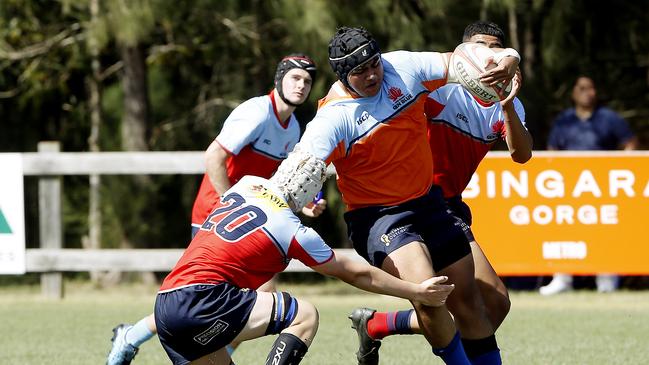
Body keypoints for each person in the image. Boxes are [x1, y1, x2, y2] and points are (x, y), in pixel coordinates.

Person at [296, 27, 520, 364]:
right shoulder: (334, 117)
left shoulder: (403, 67)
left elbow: (458, 59)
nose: (372, 74)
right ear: (342, 74)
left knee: (474, 304)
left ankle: (378, 325)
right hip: (379, 216)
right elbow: (301, 170)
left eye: (374, 63)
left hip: (429, 201)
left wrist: (510, 59)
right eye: (360, 71)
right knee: (430, 294)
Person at [106, 53, 327, 365]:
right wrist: (228, 202)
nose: (301, 85)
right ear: (279, 78)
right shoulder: (256, 112)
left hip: (248, 217)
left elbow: (279, 181)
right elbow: (213, 157)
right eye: (295, 77)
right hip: (218, 213)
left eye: (307, 80)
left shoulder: (292, 128)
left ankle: (141, 337)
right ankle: (136, 336)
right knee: (214, 297)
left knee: (219, 302)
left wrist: (305, 205)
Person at [153, 148, 455, 365]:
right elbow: (357, 273)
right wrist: (416, 290)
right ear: (310, 193)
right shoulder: (293, 230)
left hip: (165, 301)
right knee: (304, 315)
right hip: (205, 299)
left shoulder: (246, 185)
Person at [539, 75, 638, 296]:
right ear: (573, 93)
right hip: (569, 188)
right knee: (565, 228)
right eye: (582, 88)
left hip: (602, 187)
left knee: (605, 230)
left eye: (591, 88)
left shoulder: (609, 118)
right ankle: (562, 278)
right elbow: (552, 151)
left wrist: (619, 168)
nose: (587, 92)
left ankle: (607, 279)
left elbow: (630, 143)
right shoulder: (564, 120)